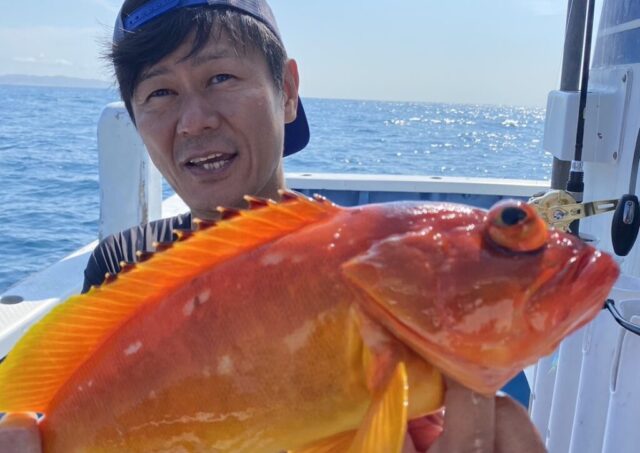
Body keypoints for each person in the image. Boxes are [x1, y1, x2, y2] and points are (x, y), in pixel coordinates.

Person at [0, 1, 546, 451]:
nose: (195, 121)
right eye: (159, 93)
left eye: (220, 77)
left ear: (287, 90)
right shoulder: (124, 263)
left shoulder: (364, 270)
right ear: (136, 118)